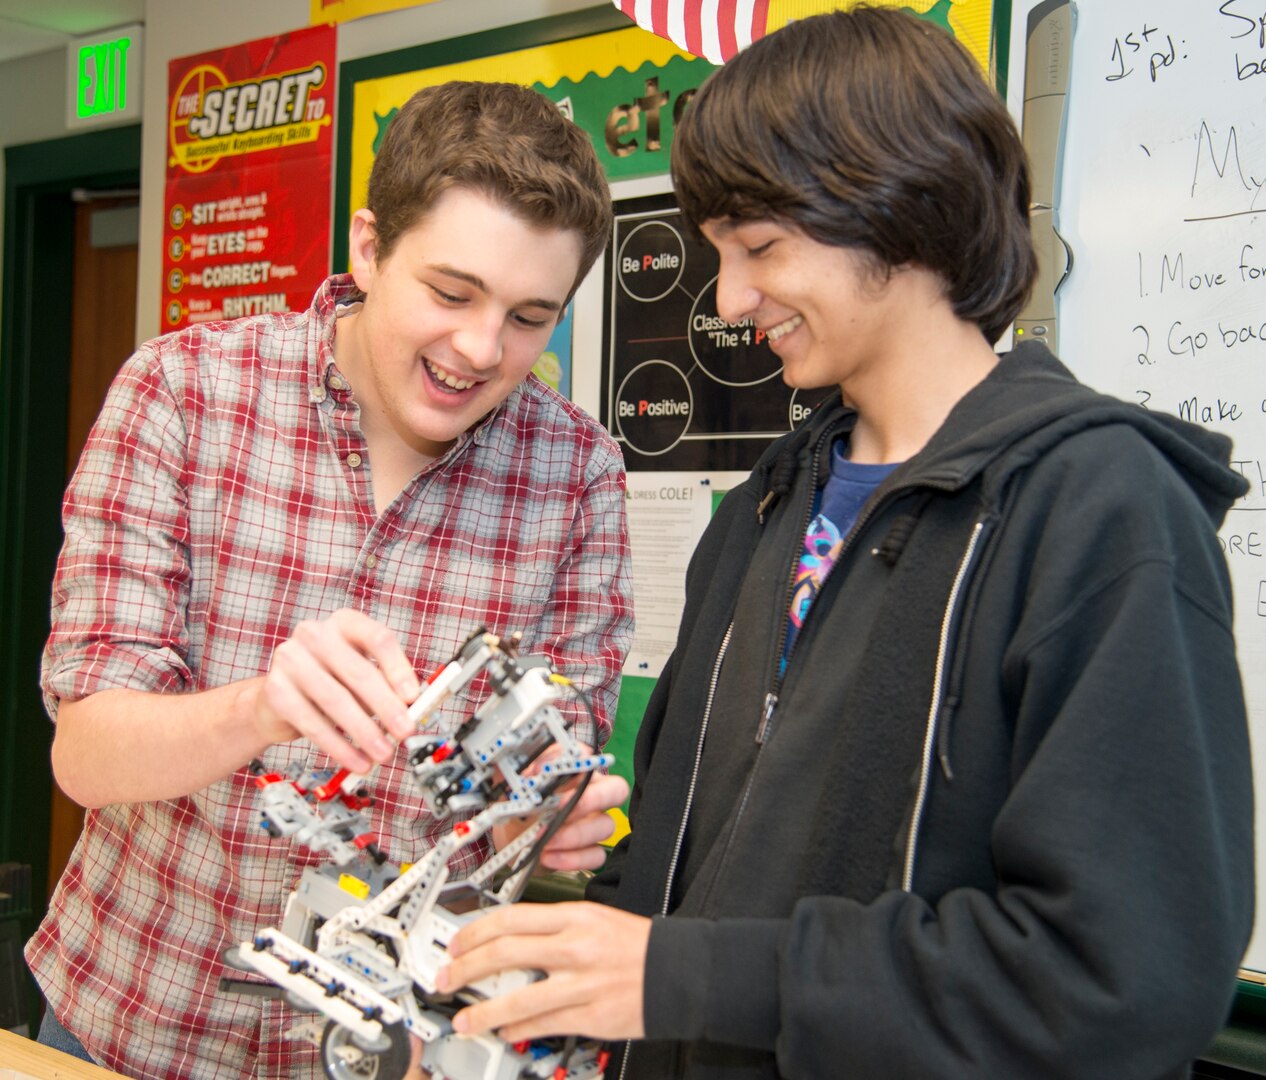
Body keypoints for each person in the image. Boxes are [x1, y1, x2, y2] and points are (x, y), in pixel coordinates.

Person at [436, 9, 1255, 1079]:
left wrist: (691, 977)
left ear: (903, 208)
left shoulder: (1101, 512)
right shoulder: (764, 512)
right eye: (720, 254)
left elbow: (1125, 978)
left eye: (762, 249)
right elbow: (684, 876)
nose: (729, 300)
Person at [28, 80, 633, 1079]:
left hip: (378, 1050)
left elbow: (552, 762)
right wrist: (263, 707)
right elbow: (87, 752)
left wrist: (542, 820)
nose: (481, 350)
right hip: (132, 1021)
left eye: (531, 318)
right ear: (367, 248)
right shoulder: (182, 393)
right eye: (451, 292)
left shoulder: (577, 478)